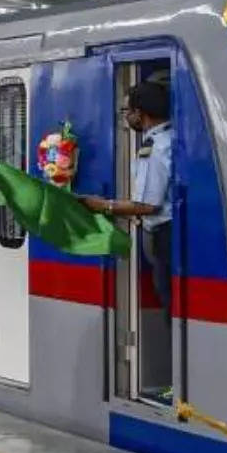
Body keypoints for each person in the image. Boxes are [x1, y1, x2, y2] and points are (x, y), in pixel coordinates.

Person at [81, 81, 173, 313]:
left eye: (126, 111)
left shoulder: (154, 147)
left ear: (139, 113)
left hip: (166, 238)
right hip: (171, 235)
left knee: (168, 303)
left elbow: (148, 205)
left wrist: (104, 206)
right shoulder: (173, 137)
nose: (126, 118)